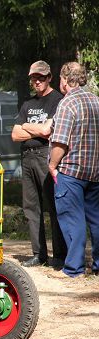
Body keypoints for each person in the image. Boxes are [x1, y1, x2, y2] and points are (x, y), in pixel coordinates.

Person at [11, 60, 67, 268]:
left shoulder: (57, 100)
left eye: (41, 77)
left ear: (49, 78)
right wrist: (34, 127)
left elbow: (47, 131)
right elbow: (15, 135)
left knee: (54, 205)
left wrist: (26, 125)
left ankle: (60, 254)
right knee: (31, 207)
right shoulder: (28, 104)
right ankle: (39, 254)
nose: (37, 81)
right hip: (27, 157)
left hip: (46, 156)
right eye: (34, 77)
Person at [49, 61, 99, 278]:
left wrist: (52, 165)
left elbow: (60, 143)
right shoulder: (96, 101)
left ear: (64, 79)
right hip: (95, 173)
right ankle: (97, 266)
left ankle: (73, 269)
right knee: (97, 220)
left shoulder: (67, 104)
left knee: (72, 219)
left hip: (71, 172)